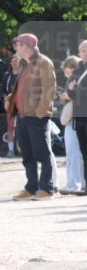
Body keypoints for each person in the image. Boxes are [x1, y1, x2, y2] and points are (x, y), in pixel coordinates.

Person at [10, 33, 57, 200]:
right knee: (27, 155)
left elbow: (49, 90)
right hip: (23, 116)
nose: (16, 48)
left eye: (18, 45)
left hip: (36, 116)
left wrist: (40, 113)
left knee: (42, 153)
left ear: (27, 46)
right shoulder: (24, 65)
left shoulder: (44, 63)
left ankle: (47, 188)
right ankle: (31, 187)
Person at [59, 55, 84, 195]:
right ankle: (76, 182)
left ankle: (74, 183)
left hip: (75, 118)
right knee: (76, 153)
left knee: (73, 153)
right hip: (77, 118)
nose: (67, 75)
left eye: (68, 71)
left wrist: (67, 95)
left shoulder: (76, 79)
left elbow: (73, 96)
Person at [66, 40, 87, 195]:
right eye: (82, 50)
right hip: (79, 116)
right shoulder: (78, 69)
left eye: (86, 50)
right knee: (84, 152)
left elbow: (76, 89)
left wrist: (77, 89)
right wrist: (73, 90)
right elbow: (69, 90)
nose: (84, 53)